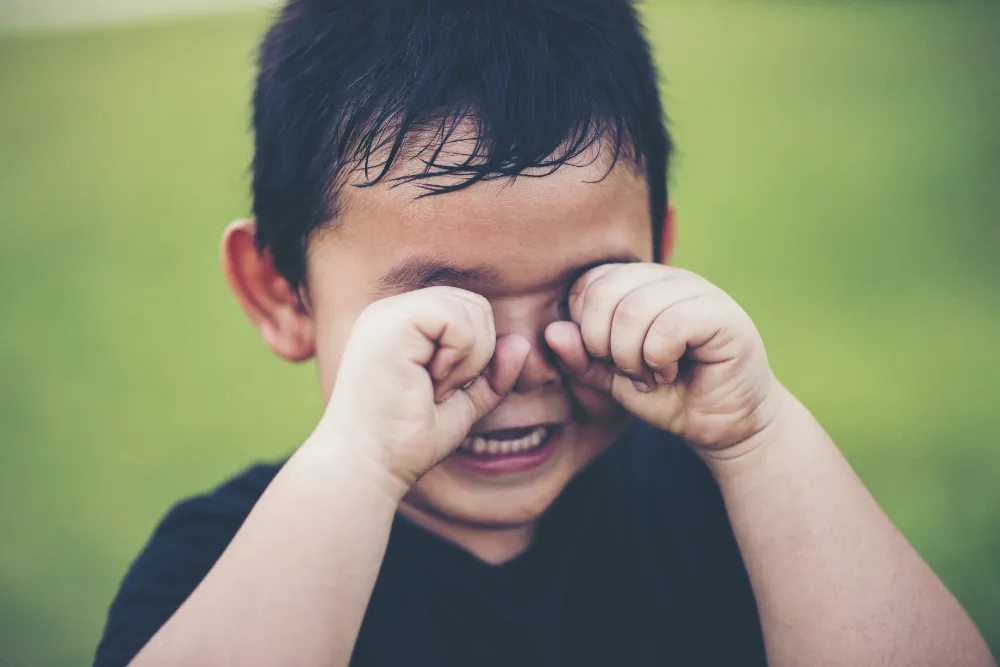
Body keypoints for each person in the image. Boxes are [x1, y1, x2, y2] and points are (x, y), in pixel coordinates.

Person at [94, 1, 995, 665]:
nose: (521, 364)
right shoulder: (222, 565)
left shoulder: (735, 505)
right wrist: (360, 463)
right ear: (281, 293)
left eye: (582, 290)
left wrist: (760, 433)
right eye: (444, 307)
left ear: (660, 256)